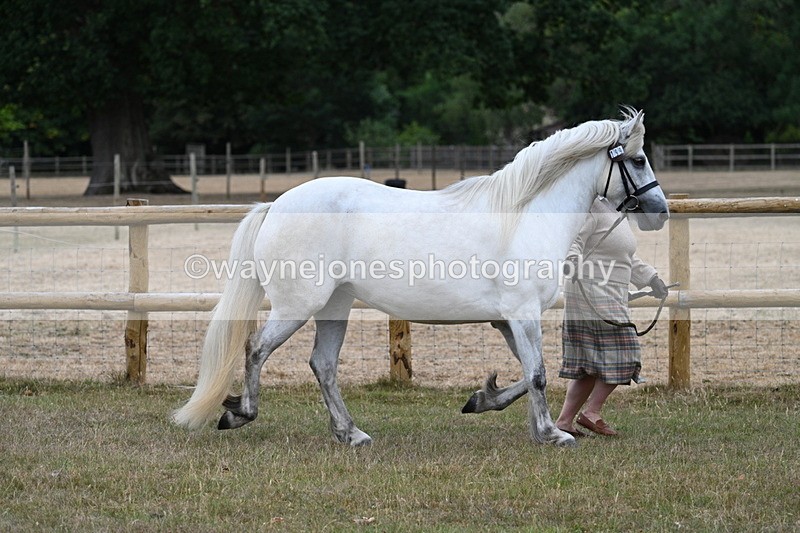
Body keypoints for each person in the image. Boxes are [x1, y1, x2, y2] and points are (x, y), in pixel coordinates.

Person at [555, 196, 668, 437]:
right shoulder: (590, 207)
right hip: (592, 291)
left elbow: (625, 257)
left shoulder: (613, 208)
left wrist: (651, 278)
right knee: (626, 352)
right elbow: (573, 241)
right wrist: (571, 261)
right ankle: (591, 412)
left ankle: (564, 422)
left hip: (609, 292)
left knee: (589, 365)